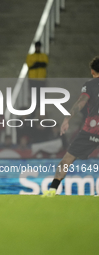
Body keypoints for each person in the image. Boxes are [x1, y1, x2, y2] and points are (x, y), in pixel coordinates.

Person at [43, 56, 99, 197]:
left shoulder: (90, 85)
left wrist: (67, 119)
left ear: (93, 72)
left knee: (67, 160)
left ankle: (52, 191)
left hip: (91, 130)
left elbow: (81, 101)